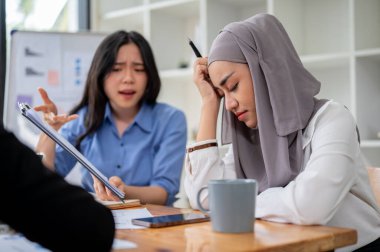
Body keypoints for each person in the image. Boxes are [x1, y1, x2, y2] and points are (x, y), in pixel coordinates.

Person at [184, 13, 380, 251]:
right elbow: (202, 197)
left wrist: (236, 201)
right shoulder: (252, 139)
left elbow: (310, 206)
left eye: (233, 86)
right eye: (221, 93)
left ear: (267, 72)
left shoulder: (333, 120)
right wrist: (208, 103)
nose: (229, 104)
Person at [35, 30, 187, 206]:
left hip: (153, 225)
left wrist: (122, 191)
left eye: (138, 69)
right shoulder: (83, 118)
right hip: (94, 221)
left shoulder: (171, 119)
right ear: (100, 75)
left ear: (149, 75)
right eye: (116, 69)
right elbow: (46, 176)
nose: (128, 79)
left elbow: (164, 191)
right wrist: (49, 131)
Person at [0, 125, 115, 252]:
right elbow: (46, 175)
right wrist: (50, 133)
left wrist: (126, 190)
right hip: (94, 217)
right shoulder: (82, 121)